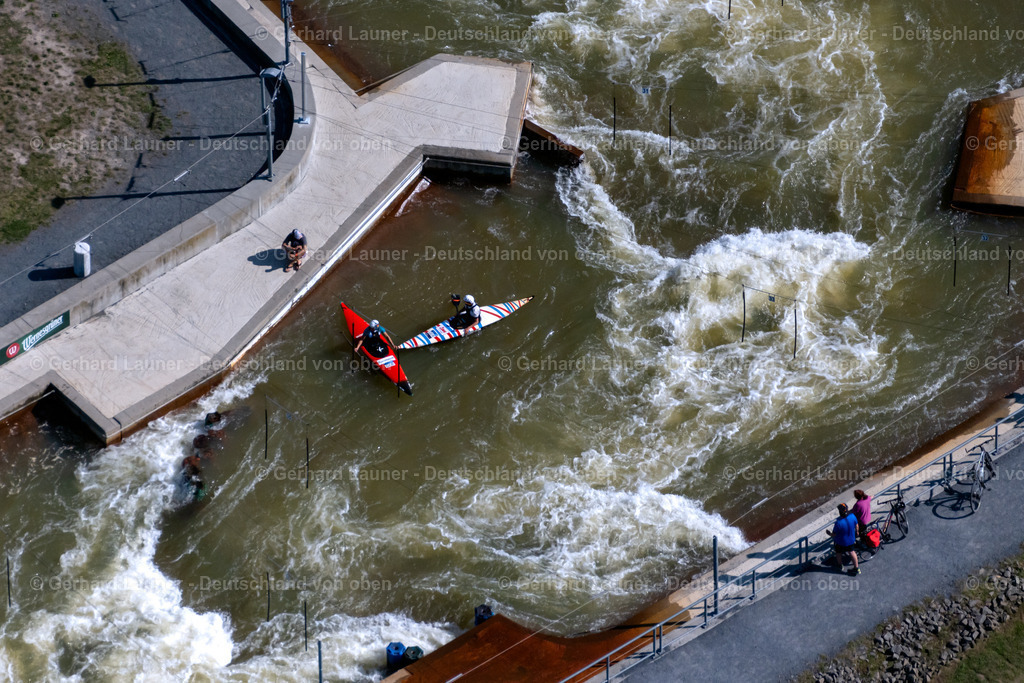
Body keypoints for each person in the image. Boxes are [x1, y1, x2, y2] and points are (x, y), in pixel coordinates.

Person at [825, 503, 860, 576]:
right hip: (851, 539)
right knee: (852, 552)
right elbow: (857, 525)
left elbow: (834, 534)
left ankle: (840, 565)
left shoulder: (838, 523)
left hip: (841, 542)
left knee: (838, 552)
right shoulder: (852, 516)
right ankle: (856, 568)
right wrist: (857, 531)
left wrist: (829, 533)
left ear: (840, 512)